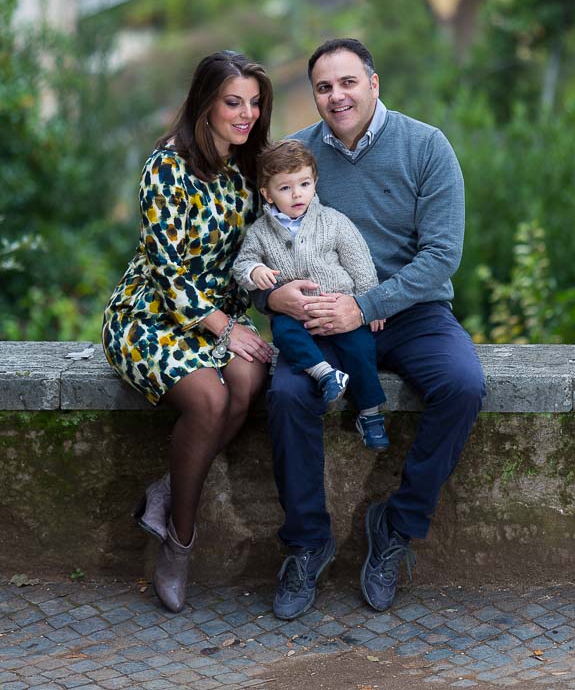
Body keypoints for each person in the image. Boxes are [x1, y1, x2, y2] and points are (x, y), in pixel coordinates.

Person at [260, 38, 486, 621]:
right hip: (321, 317)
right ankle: (308, 543)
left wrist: (367, 303)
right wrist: (271, 294)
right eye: (323, 87)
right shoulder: (296, 158)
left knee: (463, 385)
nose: (336, 96)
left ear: (374, 83)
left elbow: (441, 255)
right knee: (286, 394)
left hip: (412, 312)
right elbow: (256, 247)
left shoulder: (426, 146)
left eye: (347, 83)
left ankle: (396, 524)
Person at [102, 50, 274, 614]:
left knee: (249, 381)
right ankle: (178, 543)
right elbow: (168, 271)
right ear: (205, 103)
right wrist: (226, 327)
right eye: (233, 102)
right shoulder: (167, 165)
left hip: (216, 314)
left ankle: (166, 491)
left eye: (253, 103)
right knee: (209, 399)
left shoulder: (249, 170)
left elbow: (267, 244)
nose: (245, 114)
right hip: (151, 314)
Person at [232, 139, 389, 449]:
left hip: (339, 308)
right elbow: (242, 265)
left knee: (360, 349)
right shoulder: (261, 232)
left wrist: (372, 305)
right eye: (286, 188)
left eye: (304, 184)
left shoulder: (332, 221)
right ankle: (324, 374)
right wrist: (255, 273)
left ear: (314, 182)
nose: (297, 194)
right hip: (296, 315)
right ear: (267, 193)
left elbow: (359, 263)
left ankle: (370, 413)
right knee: (283, 332)